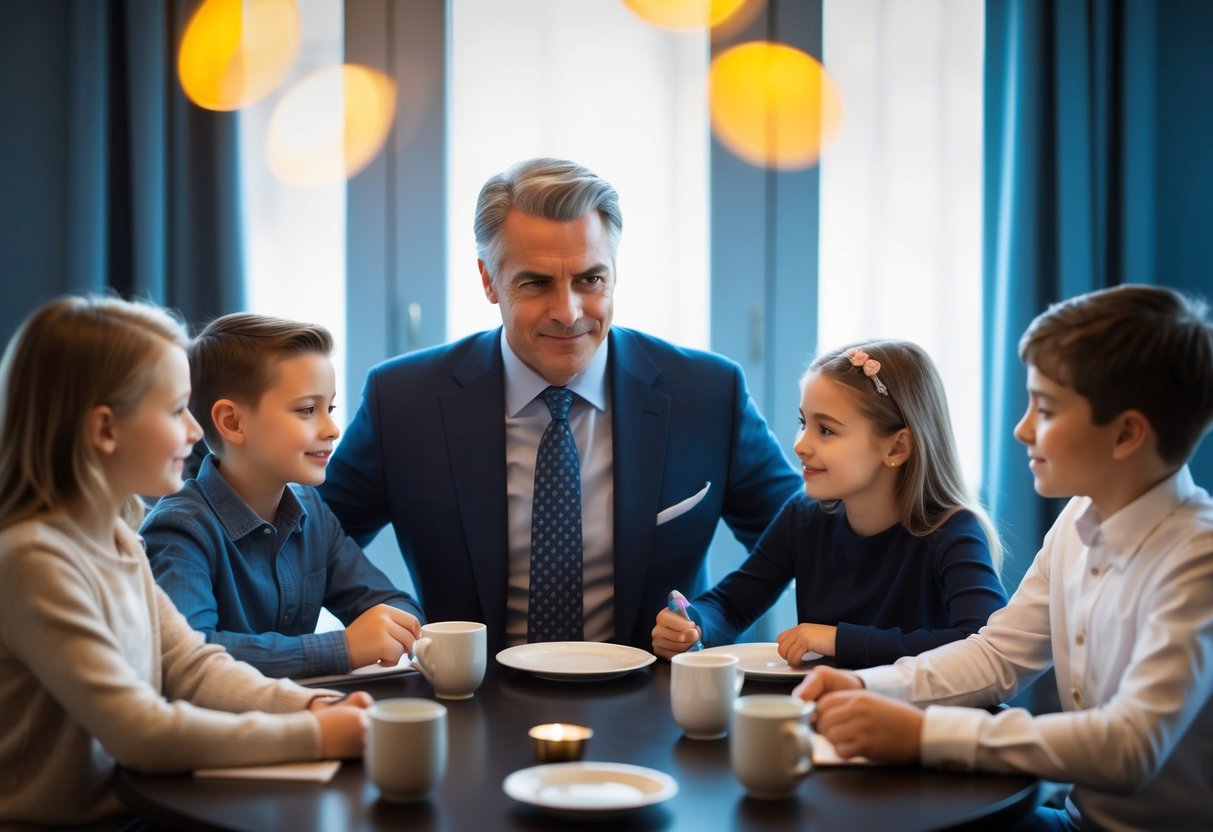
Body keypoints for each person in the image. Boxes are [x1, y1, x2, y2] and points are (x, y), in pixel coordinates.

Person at [319, 157, 802, 654]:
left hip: (655, 702)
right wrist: (390, 609)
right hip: (468, 701)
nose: (568, 312)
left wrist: (713, 618)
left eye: (590, 280)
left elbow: (803, 535)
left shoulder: (706, 393)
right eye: (536, 283)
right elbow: (309, 538)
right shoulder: (403, 401)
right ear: (489, 280)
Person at [793, 285, 1213, 832]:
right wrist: (870, 686)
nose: (1022, 429)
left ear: (1127, 433)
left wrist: (923, 735)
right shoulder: (1079, 520)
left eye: (1046, 408)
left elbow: (1130, 746)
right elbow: (997, 657)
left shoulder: (1197, 558)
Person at [0, 296, 369, 828]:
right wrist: (314, 735)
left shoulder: (118, 541)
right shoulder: (35, 562)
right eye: (176, 411)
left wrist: (308, 707)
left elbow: (192, 666)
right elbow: (140, 731)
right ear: (105, 430)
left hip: (137, 813)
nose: (196, 433)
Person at [652, 340, 1007, 666]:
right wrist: (694, 626)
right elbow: (730, 605)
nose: (800, 445)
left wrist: (839, 640)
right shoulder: (803, 517)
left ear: (896, 447)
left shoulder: (954, 533)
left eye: (826, 430)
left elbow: (981, 645)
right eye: (803, 423)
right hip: (831, 717)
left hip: (923, 725)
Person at [141, 313, 424, 679]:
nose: (333, 428)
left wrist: (394, 626)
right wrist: (343, 647)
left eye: (330, 408)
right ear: (232, 422)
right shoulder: (179, 529)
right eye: (308, 410)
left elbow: (395, 605)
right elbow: (191, 654)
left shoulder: (312, 511)